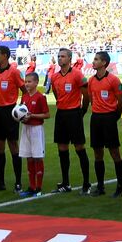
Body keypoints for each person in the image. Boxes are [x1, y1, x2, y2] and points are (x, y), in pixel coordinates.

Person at [47, 47, 90, 194]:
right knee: (62, 149)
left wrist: (81, 112)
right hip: (61, 114)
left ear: (69, 59)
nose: (60, 58)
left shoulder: (77, 75)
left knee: (79, 148)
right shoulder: (54, 77)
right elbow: (55, 92)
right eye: (59, 56)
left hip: (74, 114)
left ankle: (86, 184)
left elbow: (87, 95)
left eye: (63, 56)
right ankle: (65, 183)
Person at [87, 50, 122, 197]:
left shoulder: (114, 80)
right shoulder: (91, 80)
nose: (93, 61)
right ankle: (101, 187)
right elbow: (91, 98)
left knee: (114, 152)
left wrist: (113, 117)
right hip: (96, 118)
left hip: (109, 118)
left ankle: (120, 187)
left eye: (96, 59)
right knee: (97, 152)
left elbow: (121, 101)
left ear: (104, 63)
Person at [0, 45, 24, 192]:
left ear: (5, 56)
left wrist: (21, 108)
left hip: (10, 111)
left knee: (13, 145)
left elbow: (24, 90)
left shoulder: (14, 72)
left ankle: (18, 182)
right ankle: (0, 182)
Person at [18, 72, 49, 197]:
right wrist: (22, 118)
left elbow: (47, 114)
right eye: (26, 81)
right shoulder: (24, 97)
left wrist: (33, 116)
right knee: (28, 157)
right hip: (26, 128)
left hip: (36, 129)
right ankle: (31, 186)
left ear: (36, 82)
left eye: (29, 81)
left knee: (37, 157)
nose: (27, 84)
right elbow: (22, 112)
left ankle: (39, 188)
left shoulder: (40, 97)